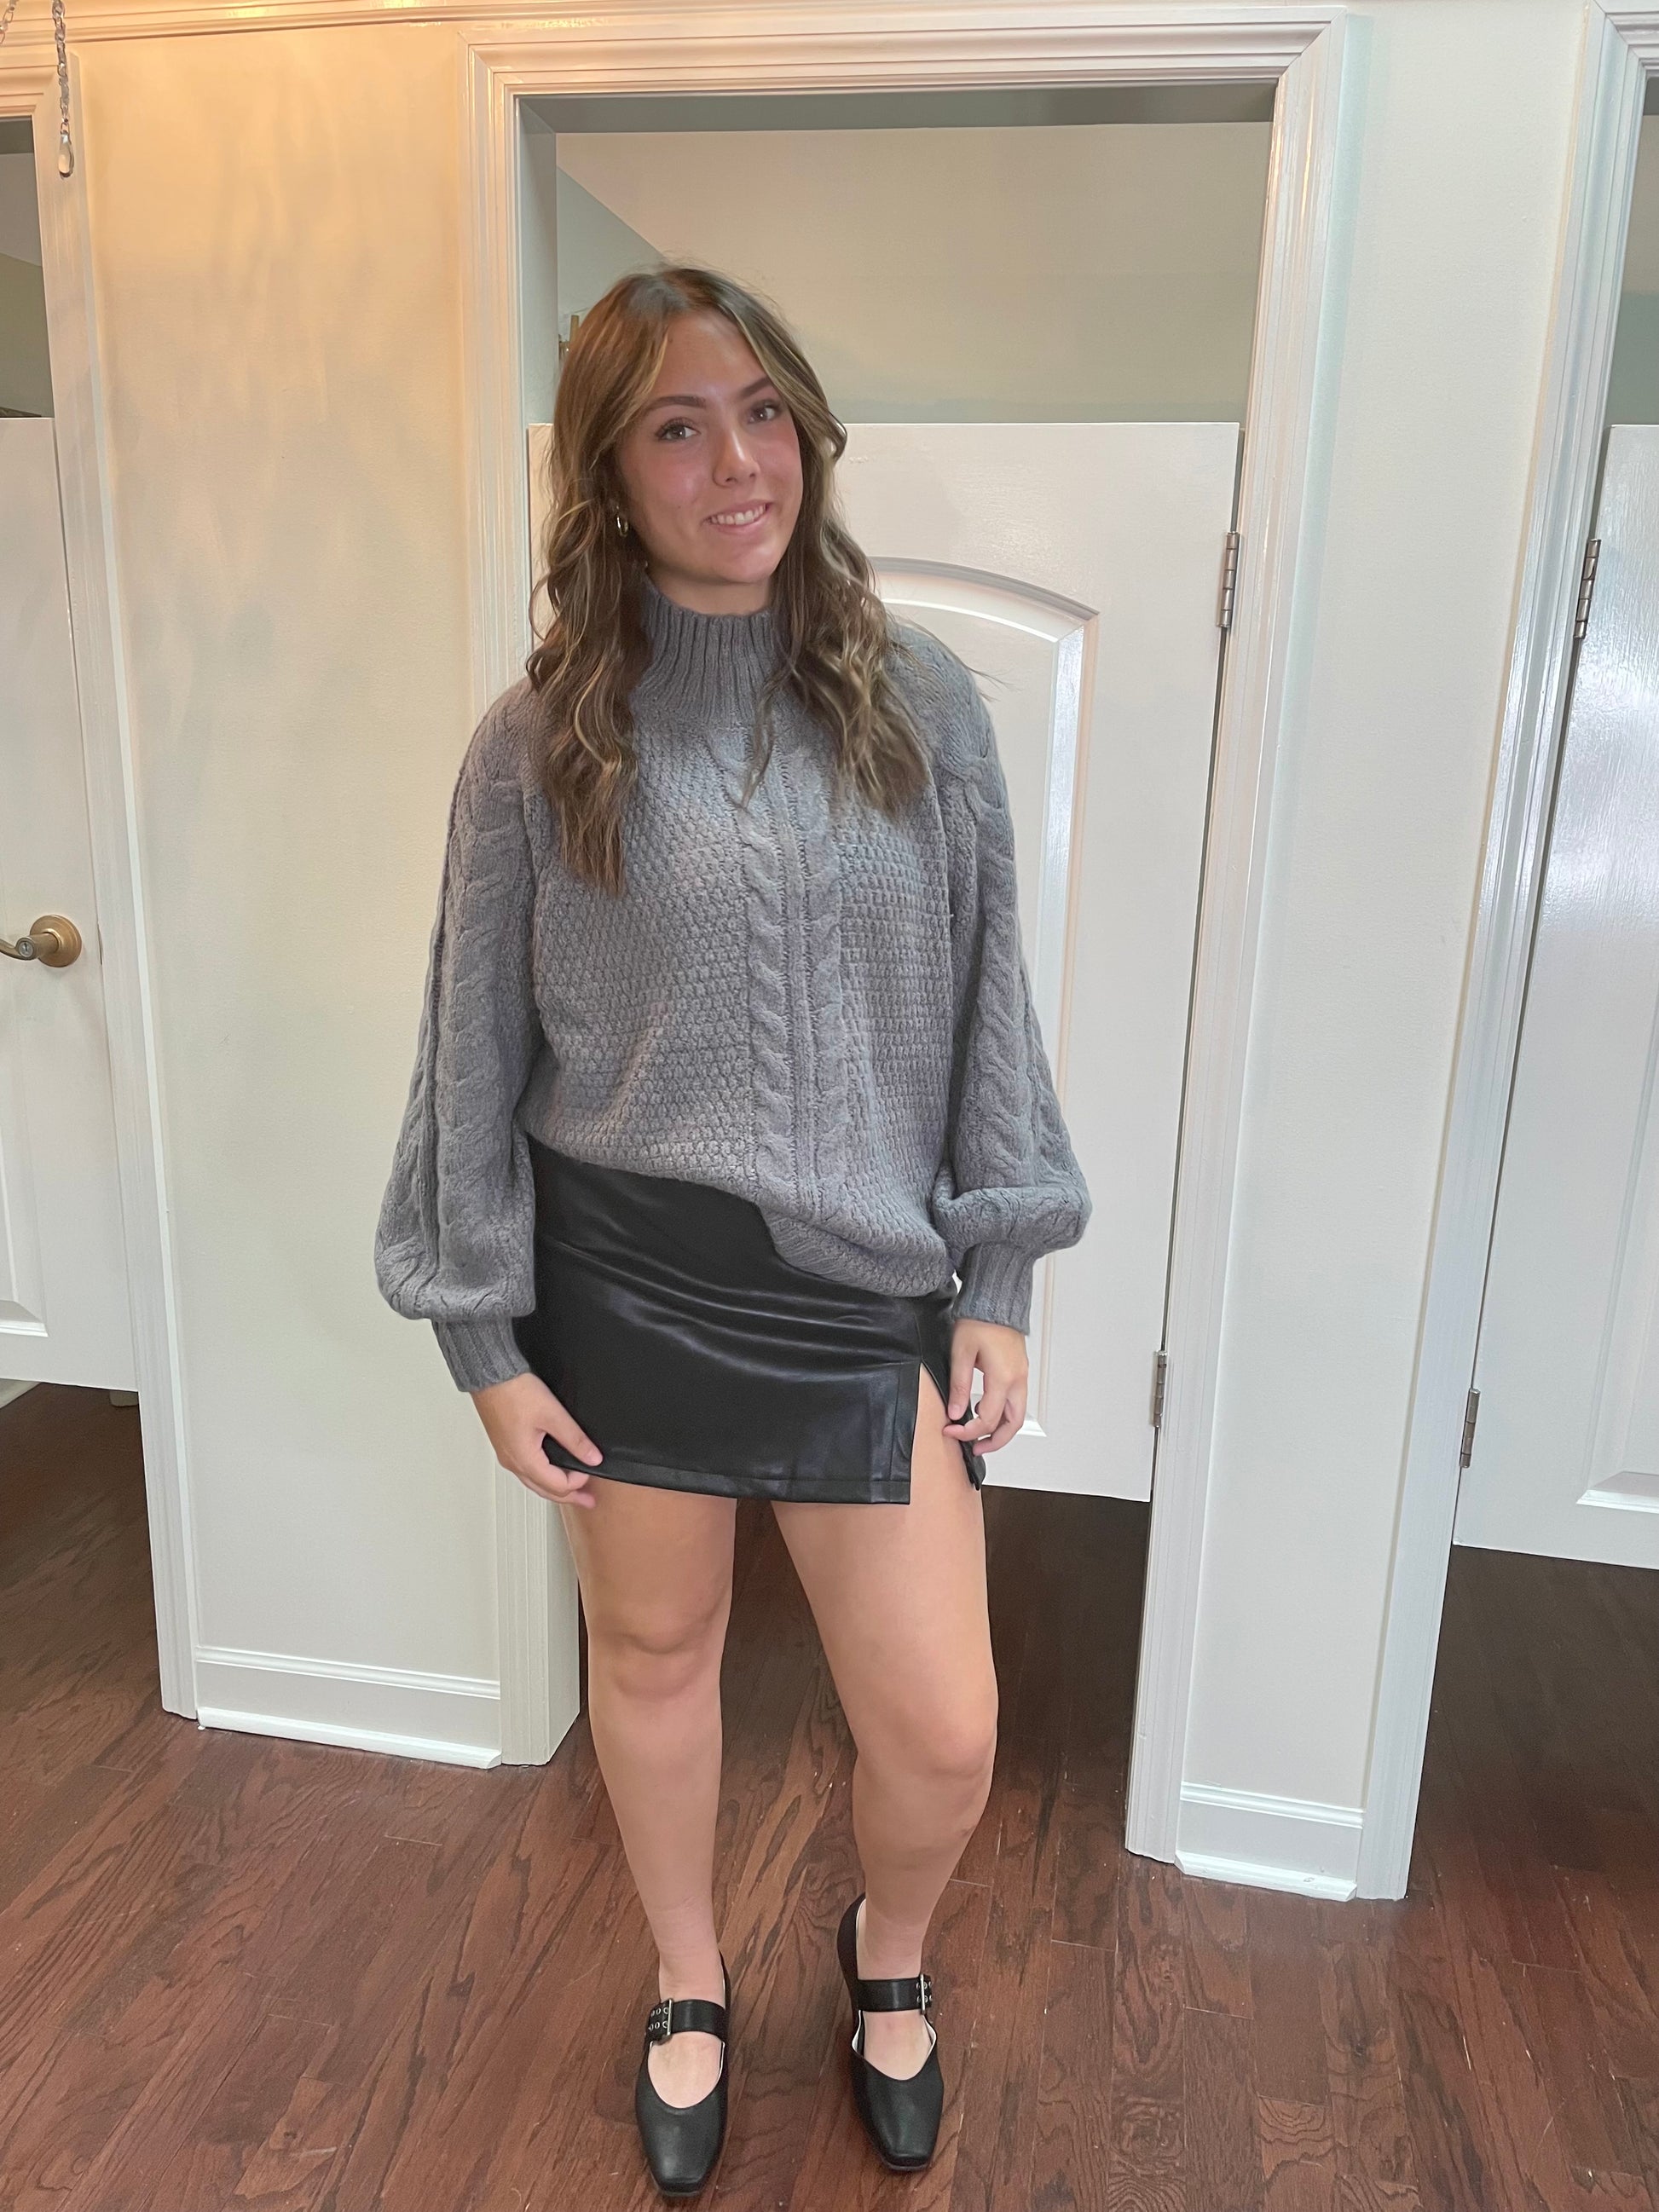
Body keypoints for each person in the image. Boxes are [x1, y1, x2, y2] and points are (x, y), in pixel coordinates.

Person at [374, 263, 1091, 2198]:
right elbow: (468, 1048)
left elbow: (986, 1005)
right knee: (655, 1651)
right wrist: (483, 1336)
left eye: (763, 412)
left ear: (811, 434)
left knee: (942, 1729)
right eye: (677, 427)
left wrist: (999, 1272)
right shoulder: (537, 743)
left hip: (861, 1288)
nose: (736, 462)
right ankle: (686, 1977)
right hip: (622, 1278)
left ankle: (885, 1951)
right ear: (611, 477)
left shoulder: (920, 704)